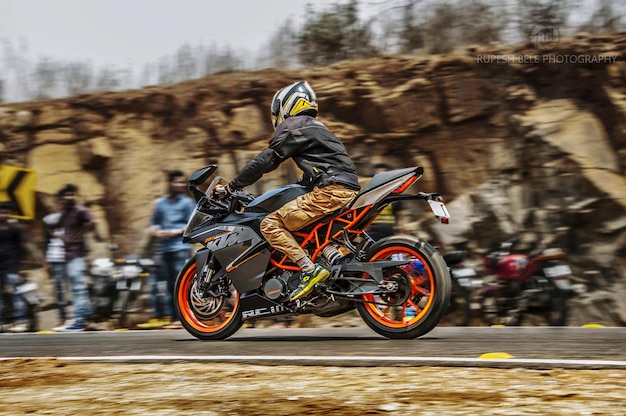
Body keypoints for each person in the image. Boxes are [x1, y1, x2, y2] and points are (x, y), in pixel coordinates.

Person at [215, 81, 360, 302]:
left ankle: (308, 270)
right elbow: (315, 172)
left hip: (330, 192)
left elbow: (267, 160)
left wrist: (232, 186)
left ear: (287, 105)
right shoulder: (318, 128)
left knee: (270, 224)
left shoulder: (293, 125)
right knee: (309, 234)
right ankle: (332, 262)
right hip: (346, 190)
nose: (276, 119)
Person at [137, 170, 195, 329]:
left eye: (182, 182)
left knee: (181, 283)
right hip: (164, 249)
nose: (180, 185)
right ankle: (174, 318)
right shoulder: (160, 203)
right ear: (169, 183)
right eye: (177, 182)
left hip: (181, 247)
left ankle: (184, 318)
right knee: (169, 285)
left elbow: (192, 225)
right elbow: (153, 223)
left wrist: (173, 232)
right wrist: (156, 231)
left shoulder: (188, 203)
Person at [48, 184, 98, 332]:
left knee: (78, 289)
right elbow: (52, 226)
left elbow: (94, 221)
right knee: (78, 288)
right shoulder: (65, 213)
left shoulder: (79, 210)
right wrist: (61, 236)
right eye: (65, 195)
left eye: (71, 194)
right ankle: (88, 320)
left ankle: (79, 321)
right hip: (68, 255)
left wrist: (81, 232)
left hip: (77, 255)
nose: (69, 197)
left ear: (76, 195)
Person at [0, 201, 29, 333]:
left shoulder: (15, 229)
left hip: (12, 266)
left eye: (5, 212)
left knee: (16, 294)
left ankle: (22, 321)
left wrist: (22, 266)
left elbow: (22, 247)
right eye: (1, 212)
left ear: (9, 213)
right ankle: (3, 322)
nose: (3, 215)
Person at [365, 162, 409, 240]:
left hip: (388, 230)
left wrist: (401, 231)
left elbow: (401, 214)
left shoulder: (395, 195)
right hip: (371, 230)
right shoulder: (369, 195)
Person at [43, 204, 67, 327]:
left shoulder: (71, 226)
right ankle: (62, 318)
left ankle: (75, 317)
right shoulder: (51, 227)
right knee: (59, 289)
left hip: (70, 259)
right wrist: (47, 261)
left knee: (72, 289)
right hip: (56, 260)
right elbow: (47, 245)